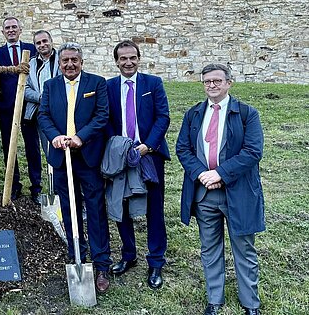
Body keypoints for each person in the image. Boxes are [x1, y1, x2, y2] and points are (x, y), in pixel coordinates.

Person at [176, 64, 264, 315]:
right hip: (205, 194)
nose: (211, 85)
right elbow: (183, 148)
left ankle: (250, 304)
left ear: (229, 83)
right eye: (207, 82)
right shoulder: (193, 114)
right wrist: (202, 174)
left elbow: (253, 151)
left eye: (217, 81)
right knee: (210, 248)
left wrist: (220, 174)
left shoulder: (247, 113)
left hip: (238, 193)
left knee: (244, 249)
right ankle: (215, 300)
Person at [38, 42, 112, 294]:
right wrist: (55, 137)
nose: (70, 64)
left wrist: (81, 136)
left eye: (74, 60)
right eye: (65, 60)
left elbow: (102, 115)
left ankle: (102, 263)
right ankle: (76, 254)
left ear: (82, 61)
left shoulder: (96, 83)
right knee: (69, 210)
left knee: (95, 210)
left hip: (87, 156)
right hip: (62, 157)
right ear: (59, 63)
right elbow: (43, 115)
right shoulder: (50, 86)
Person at [106, 40, 170, 290]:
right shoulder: (109, 86)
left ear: (139, 58)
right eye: (123, 58)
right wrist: (118, 146)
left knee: (154, 207)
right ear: (117, 61)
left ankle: (155, 261)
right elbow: (106, 118)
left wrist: (148, 146)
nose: (128, 62)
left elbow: (163, 116)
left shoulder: (152, 84)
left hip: (149, 154)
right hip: (121, 155)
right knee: (122, 205)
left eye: (132, 57)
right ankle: (128, 255)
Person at [0, 17, 40, 203]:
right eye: (7, 28)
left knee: (32, 146)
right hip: (6, 107)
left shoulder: (32, 49)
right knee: (8, 147)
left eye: (14, 27)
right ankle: (14, 185)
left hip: (29, 107)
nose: (11, 30)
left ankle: (36, 186)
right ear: (3, 32)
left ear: (20, 29)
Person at [24, 29, 59, 157]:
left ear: (51, 41)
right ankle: (53, 176)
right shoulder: (31, 64)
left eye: (45, 41)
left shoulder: (62, 60)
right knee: (48, 149)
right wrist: (40, 97)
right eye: (38, 43)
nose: (42, 44)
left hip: (62, 110)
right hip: (41, 112)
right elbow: (25, 89)